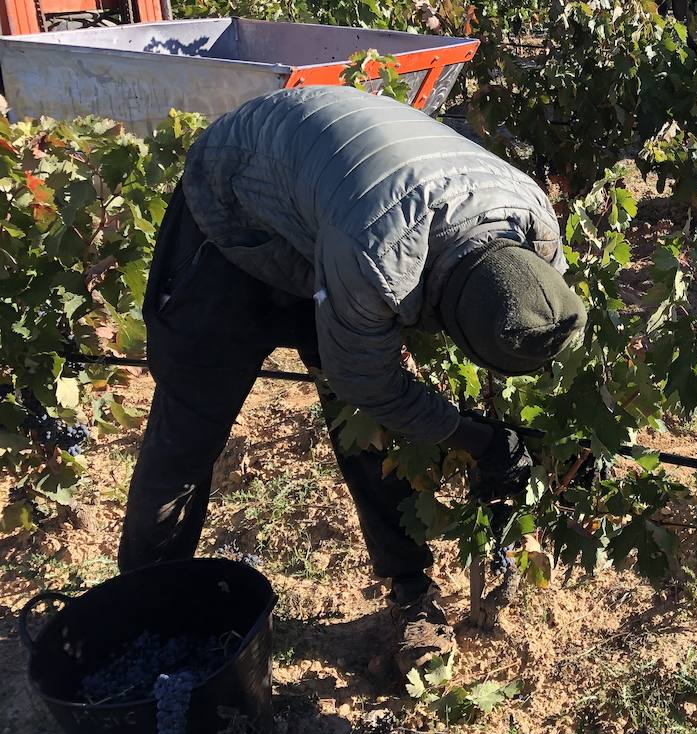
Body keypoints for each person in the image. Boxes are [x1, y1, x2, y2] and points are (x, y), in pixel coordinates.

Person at [118, 86, 586, 672]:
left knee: (368, 435)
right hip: (232, 213)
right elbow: (371, 383)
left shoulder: (535, 230)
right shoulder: (379, 263)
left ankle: (410, 592)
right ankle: (143, 617)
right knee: (188, 434)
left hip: (329, 218)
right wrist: (478, 439)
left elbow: (532, 317)